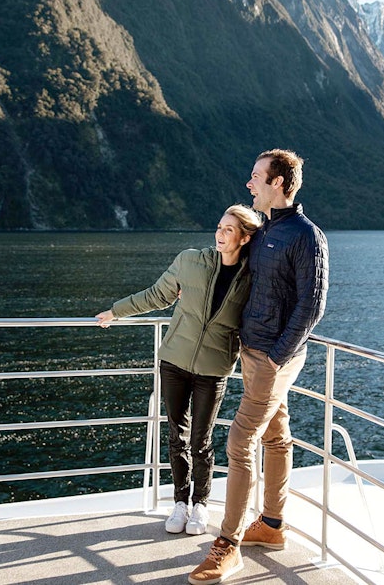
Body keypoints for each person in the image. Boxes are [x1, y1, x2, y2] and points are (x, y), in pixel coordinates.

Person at [189, 149, 329, 584]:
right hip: (251, 350)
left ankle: (228, 545)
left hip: (274, 357)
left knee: (239, 439)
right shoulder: (265, 229)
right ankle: (270, 525)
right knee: (276, 434)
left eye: (256, 177)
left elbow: (312, 305)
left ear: (280, 184)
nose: (249, 184)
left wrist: (276, 356)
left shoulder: (306, 236)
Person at [95, 205, 262, 536]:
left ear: (244, 237)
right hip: (174, 362)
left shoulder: (252, 276)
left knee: (201, 440)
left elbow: (257, 318)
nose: (220, 234)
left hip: (213, 369)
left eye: (229, 230)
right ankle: (180, 503)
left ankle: (201, 504)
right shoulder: (190, 261)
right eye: (219, 227)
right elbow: (157, 295)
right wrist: (117, 312)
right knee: (177, 436)